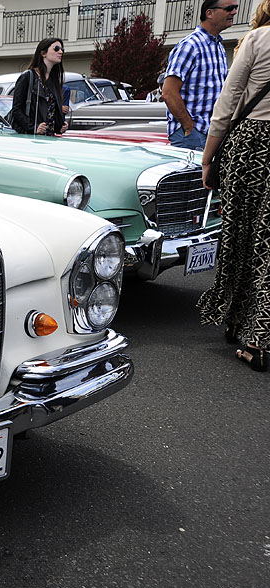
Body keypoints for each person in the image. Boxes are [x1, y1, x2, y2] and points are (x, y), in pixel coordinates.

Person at [198, 0, 270, 373]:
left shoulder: (258, 39)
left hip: (253, 146)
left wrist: (209, 157)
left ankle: (240, 323)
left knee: (240, 235)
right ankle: (257, 333)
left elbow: (227, 103)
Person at [161, 0, 237, 149]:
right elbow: (168, 92)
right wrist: (189, 127)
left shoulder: (218, 47)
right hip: (192, 135)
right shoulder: (190, 46)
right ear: (209, 13)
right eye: (229, 8)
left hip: (211, 132)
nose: (234, 12)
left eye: (235, 8)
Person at [9, 38, 67, 136]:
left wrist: (60, 126)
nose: (60, 52)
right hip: (32, 139)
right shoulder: (28, 77)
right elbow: (16, 110)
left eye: (62, 49)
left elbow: (50, 113)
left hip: (49, 139)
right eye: (56, 48)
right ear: (43, 53)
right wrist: (33, 127)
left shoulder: (54, 81)